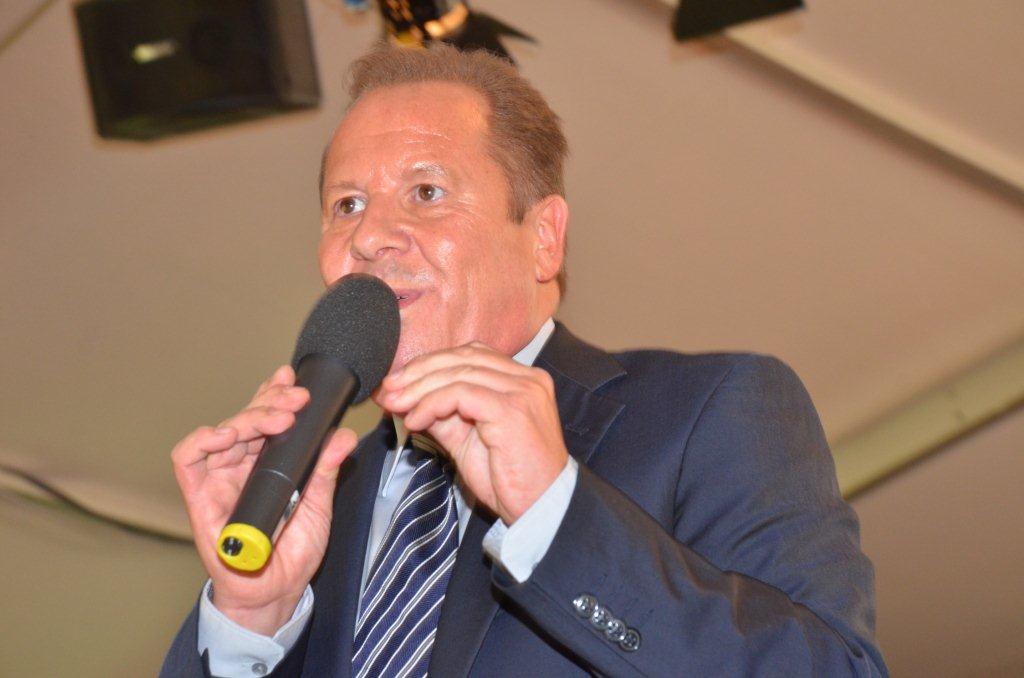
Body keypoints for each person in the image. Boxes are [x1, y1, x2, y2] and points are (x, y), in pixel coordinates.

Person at [162, 43, 888, 677]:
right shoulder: (309, 504)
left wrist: (554, 514)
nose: (371, 236)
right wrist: (250, 621)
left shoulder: (711, 411)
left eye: (426, 192)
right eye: (347, 204)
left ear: (544, 239)